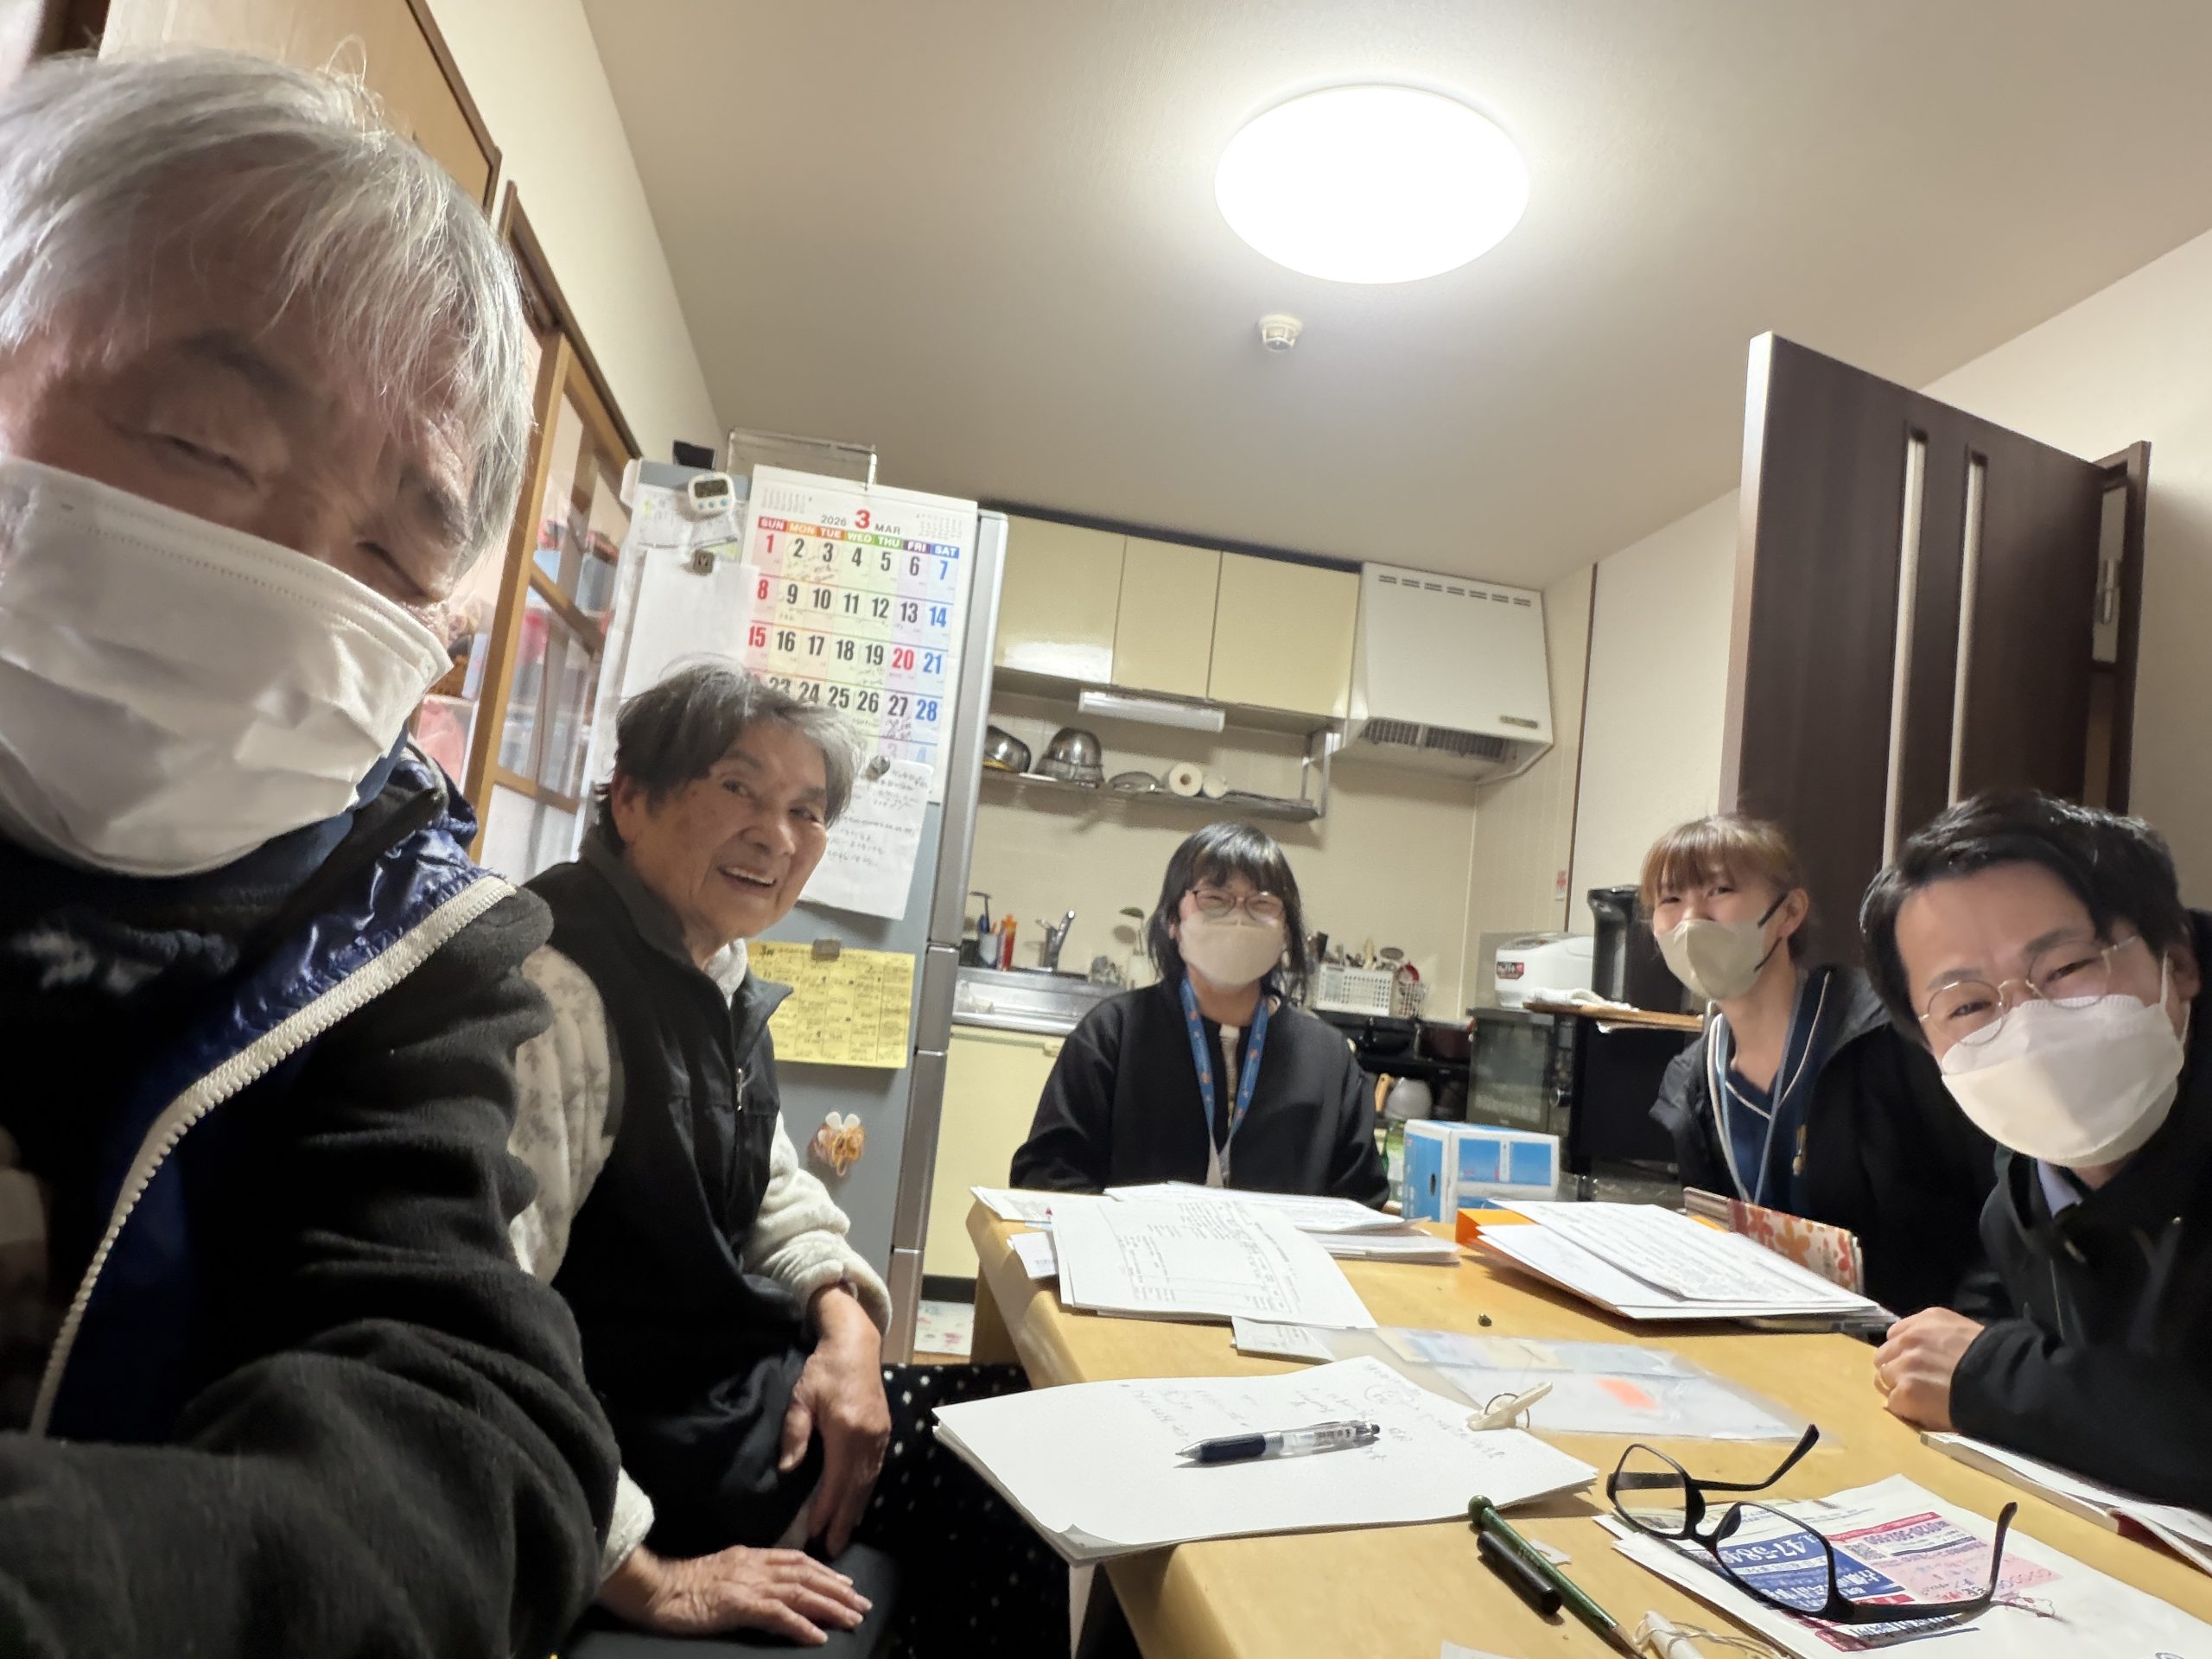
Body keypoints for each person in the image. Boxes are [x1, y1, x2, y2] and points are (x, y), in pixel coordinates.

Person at [0, 51, 616, 1658]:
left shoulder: (394, 936)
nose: (287, 585)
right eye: (202, 444)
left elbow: (469, 1423)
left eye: (394, 554)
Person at [509, 662, 1062, 1655]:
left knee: (1042, 1439)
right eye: (739, 788)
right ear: (630, 800)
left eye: (807, 811)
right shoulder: (559, 996)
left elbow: (767, 1185)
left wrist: (847, 1331)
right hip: (642, 1463)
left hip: (733, 1406)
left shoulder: (710, 966)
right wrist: (646, 1578)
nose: (777, 836)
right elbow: (480, 1321)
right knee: (1029, 1496)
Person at [1862, 792, 2212, 1506]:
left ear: (2176, 965)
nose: (2028, 1027)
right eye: (1967, 1006)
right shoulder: (2021, 1199)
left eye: (2068, 969)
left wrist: (1993, 1380)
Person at [1642, 816, 1998, 1315]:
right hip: (1776, 1339)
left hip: (1909, 1340)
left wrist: (1973, 1333)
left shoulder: (1888, 1035)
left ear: (1789, 913)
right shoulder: (1692, 1082)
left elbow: (2003, 1201)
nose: (1691, 920)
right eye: (1670, 900)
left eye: (1719, 890)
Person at [1013, 821, 1389, 1202]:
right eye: (1215, 898)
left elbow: (1360, 1203)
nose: (1239, 919)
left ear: (1286, 932)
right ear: (1173, 920)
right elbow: (1048, 1176)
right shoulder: (1113, 1034)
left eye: (1262, 903)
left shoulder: (1328, 1059)